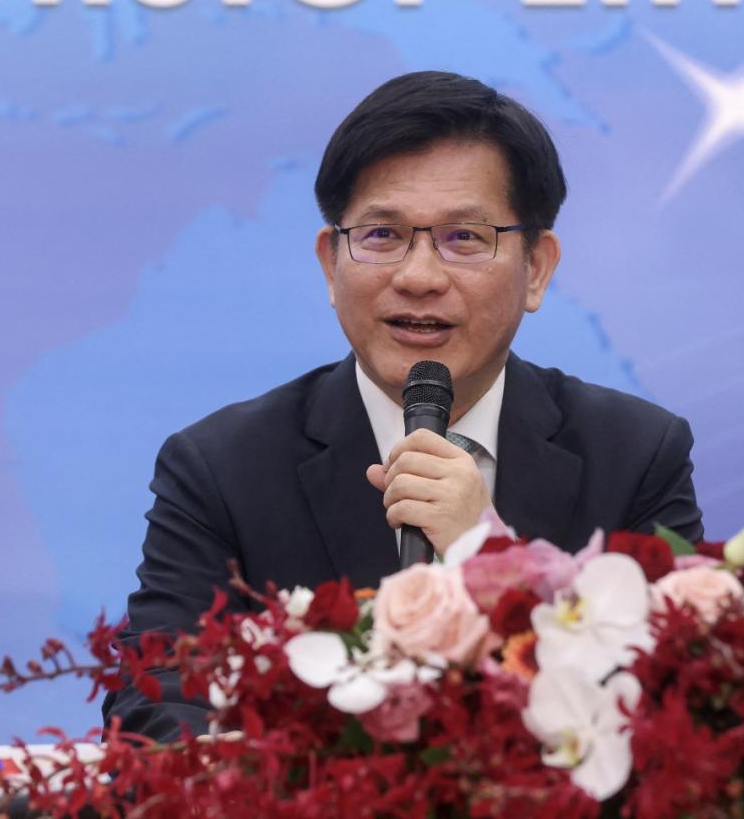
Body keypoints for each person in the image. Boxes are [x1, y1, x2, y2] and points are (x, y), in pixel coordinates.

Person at [104, 71, 703, 739]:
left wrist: (490, 557)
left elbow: (679, 710)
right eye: (383, 236)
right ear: (331, 265)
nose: (418, 277)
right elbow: (155, 706)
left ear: (536, 268)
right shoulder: (222, 469)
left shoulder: (633, 455)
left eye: (464, 238)